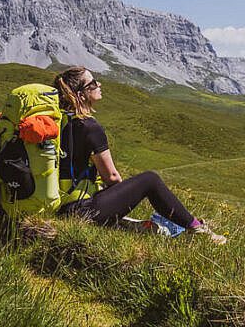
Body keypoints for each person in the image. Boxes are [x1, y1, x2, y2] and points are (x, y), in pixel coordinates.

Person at [53, 66, 227, 244]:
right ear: (81, 95)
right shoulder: (89, 127)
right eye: (93, 83)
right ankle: (198, 229)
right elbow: (111, 177)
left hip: (59, 208)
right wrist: (122, 199)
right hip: (81, 211)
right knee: (150, 179)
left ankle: (128, 224)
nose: (99, 85)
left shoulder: (57, 121)